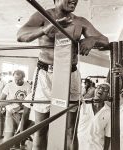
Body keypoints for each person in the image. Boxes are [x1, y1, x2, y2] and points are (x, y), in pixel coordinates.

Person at [17, 0, 109, 149]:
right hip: (45, 74)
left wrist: (92, 39)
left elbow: (105, 40)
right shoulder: (43, 16)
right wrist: (45, 29)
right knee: (41, 129)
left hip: (70, 73)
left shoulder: (80, 21)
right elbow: (21, 35)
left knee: (70, 129)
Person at [0, 70, 31, 143]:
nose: (17, 81)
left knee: (21, 138)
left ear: (23, 78)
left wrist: (20, 106)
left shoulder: (28, 86)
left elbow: (30, 102)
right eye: (15, 79)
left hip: (23, 114)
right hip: (10, 113)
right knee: (8, 137)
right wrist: (13, 100)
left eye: (19, 80)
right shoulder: (9, 85)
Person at [78, 83, 111, 150]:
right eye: (99, 87)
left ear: (108, 95)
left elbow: (108, 136)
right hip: (81, 147)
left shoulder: (108, 112)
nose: (101, 89)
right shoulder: (83, 105)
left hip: (97, 147)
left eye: (105, 89)